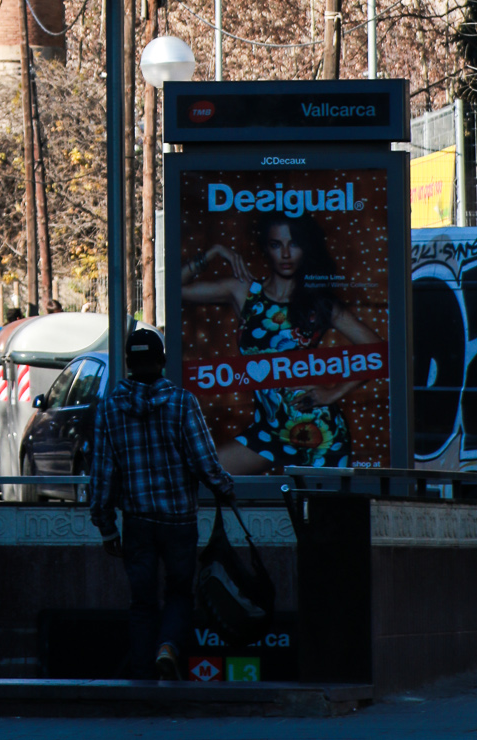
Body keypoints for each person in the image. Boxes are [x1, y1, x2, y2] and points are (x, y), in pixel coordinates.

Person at [90, 326, 234, 682]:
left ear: (128, 363)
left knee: (142, 602)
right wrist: (225, 489)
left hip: (137, 522)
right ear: (163, 361)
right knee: (179, 593)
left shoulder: (108, 409)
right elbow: (205, 463)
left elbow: (103, 475)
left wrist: (106, 526)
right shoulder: (182, 403)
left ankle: (142, 678)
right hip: (179, 521)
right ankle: (167, 648)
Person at [181, 212, 377, 472]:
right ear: (265, 248)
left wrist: (334, 392)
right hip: (268, 431)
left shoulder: (317, 303)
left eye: (293, 244)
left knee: (316, 502)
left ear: (305, 248)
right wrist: (216, 251)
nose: (285, 254)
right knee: (202, 471)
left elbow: (377, 351)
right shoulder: (245, 292)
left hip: (320, 434)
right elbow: (175, 288)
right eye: (276, 245)